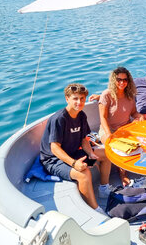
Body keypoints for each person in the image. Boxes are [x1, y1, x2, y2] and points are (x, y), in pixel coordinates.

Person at [40, 83, 111, 215]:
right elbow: (54, 148)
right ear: (67, 99)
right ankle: (95, 210)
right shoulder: (59, 119)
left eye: (82, 99)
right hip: (53, 160)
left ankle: (103, 188)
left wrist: (90, 153)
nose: (79, 102)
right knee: (83, 174)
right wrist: (74, 164)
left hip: (73, 152)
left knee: (107, 154)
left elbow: (84, 140)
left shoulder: (81, 116)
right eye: (75, 98)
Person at [98, 67, 145, 186]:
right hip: (108, 130)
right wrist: (109, 134)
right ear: (114, 80)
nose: (122, 82)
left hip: (125, 130)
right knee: (119, 148)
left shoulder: (130, 96)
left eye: (125, 80)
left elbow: (134, 112)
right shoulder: (106, 95)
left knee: (144, 142)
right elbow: (103, 118)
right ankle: (123, 175)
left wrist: (139, 116)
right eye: (119, 79)